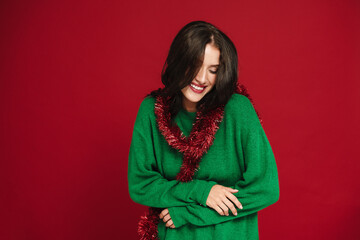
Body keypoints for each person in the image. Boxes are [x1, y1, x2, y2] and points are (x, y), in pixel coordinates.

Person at [128, 20, 280, 240]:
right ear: (178, 61)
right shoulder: (150, 111)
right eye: (195, 65)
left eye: (213, 70)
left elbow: (265, 188)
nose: (202, 78)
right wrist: (202, 192)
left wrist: (191, 212)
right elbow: (141, 185)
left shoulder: (238, 110)